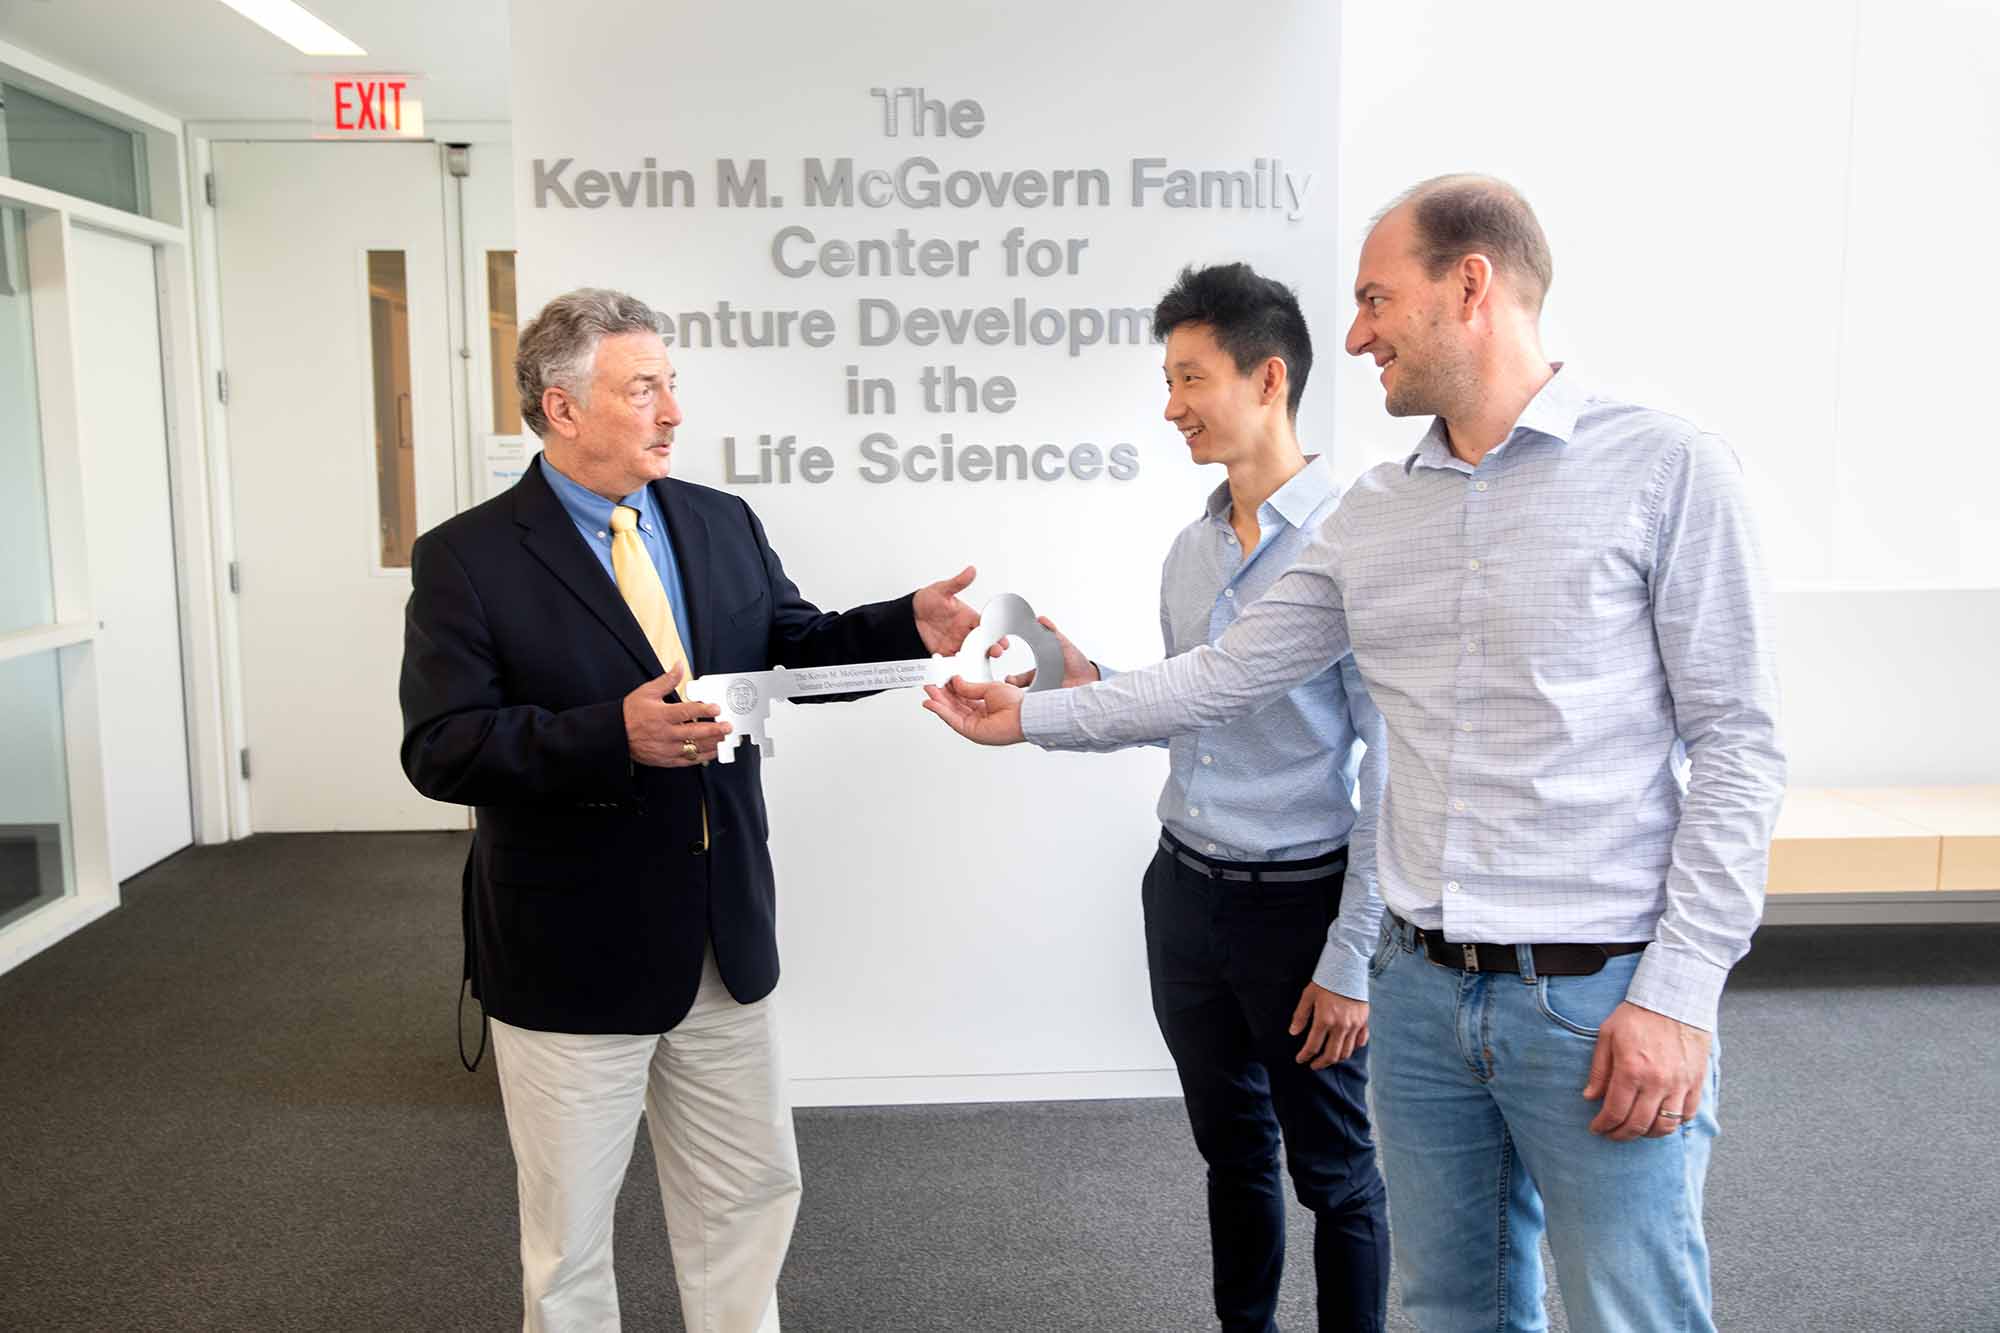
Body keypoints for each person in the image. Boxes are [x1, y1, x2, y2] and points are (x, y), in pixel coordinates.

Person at [924, 176, 1786, 1333]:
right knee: (1445, 1308)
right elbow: (1223, 675)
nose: (1353, 332)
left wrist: (1679, 995)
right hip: (1424, 1000)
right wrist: (1022, 716)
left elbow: (1736, 745)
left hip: (1594, 997)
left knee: (1629, 1310)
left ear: (1468, 284)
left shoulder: (1666, 468)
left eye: (1377, 297)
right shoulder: (1373, 513)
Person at [400, 288, 986, 1333]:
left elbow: (792, 646)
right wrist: (604, 734)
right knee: (569, 1244)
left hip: (723, 933)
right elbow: (440, 746)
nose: (672, 411)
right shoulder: (466, 557)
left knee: (747, 1200)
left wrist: (906, 626)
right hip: (569, 948)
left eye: (670, 383)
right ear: (563, 408)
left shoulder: (717, 520)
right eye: (643, 389)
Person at [1014, 262, 1389, 1332]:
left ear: (1267, 379)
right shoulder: (1190, 548)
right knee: (1230, 1149)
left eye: (1189, 377)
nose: (1169, 404)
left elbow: (1389, 768)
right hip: (1182, 892)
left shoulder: (1351, 548)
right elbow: (1195, 706)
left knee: (1334, 1171)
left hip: (1299, 905)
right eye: (1166, 378)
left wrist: (1348, 956)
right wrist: (1092, 692)